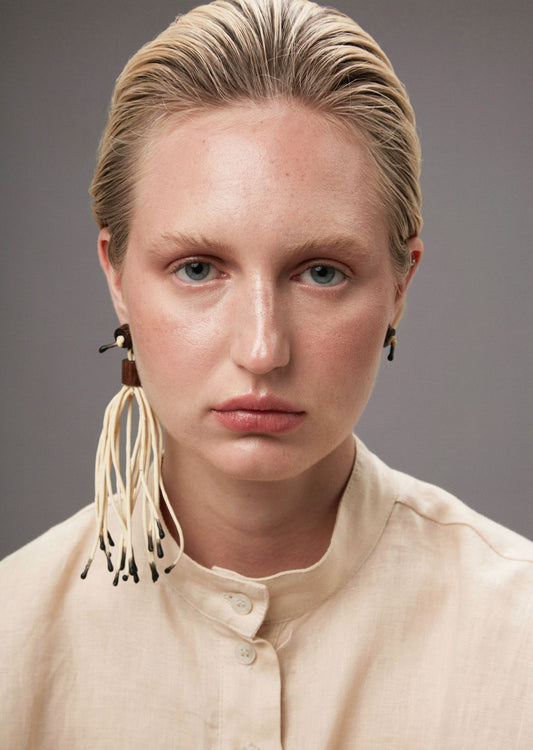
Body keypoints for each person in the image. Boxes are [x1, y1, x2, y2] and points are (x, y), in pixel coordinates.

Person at [0, 0, 531, 747]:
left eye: (321, 272)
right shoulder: (13, 640)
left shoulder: (519, 639)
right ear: (116, 275)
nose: (261, 349)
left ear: (399, 286)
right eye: (197, 268)